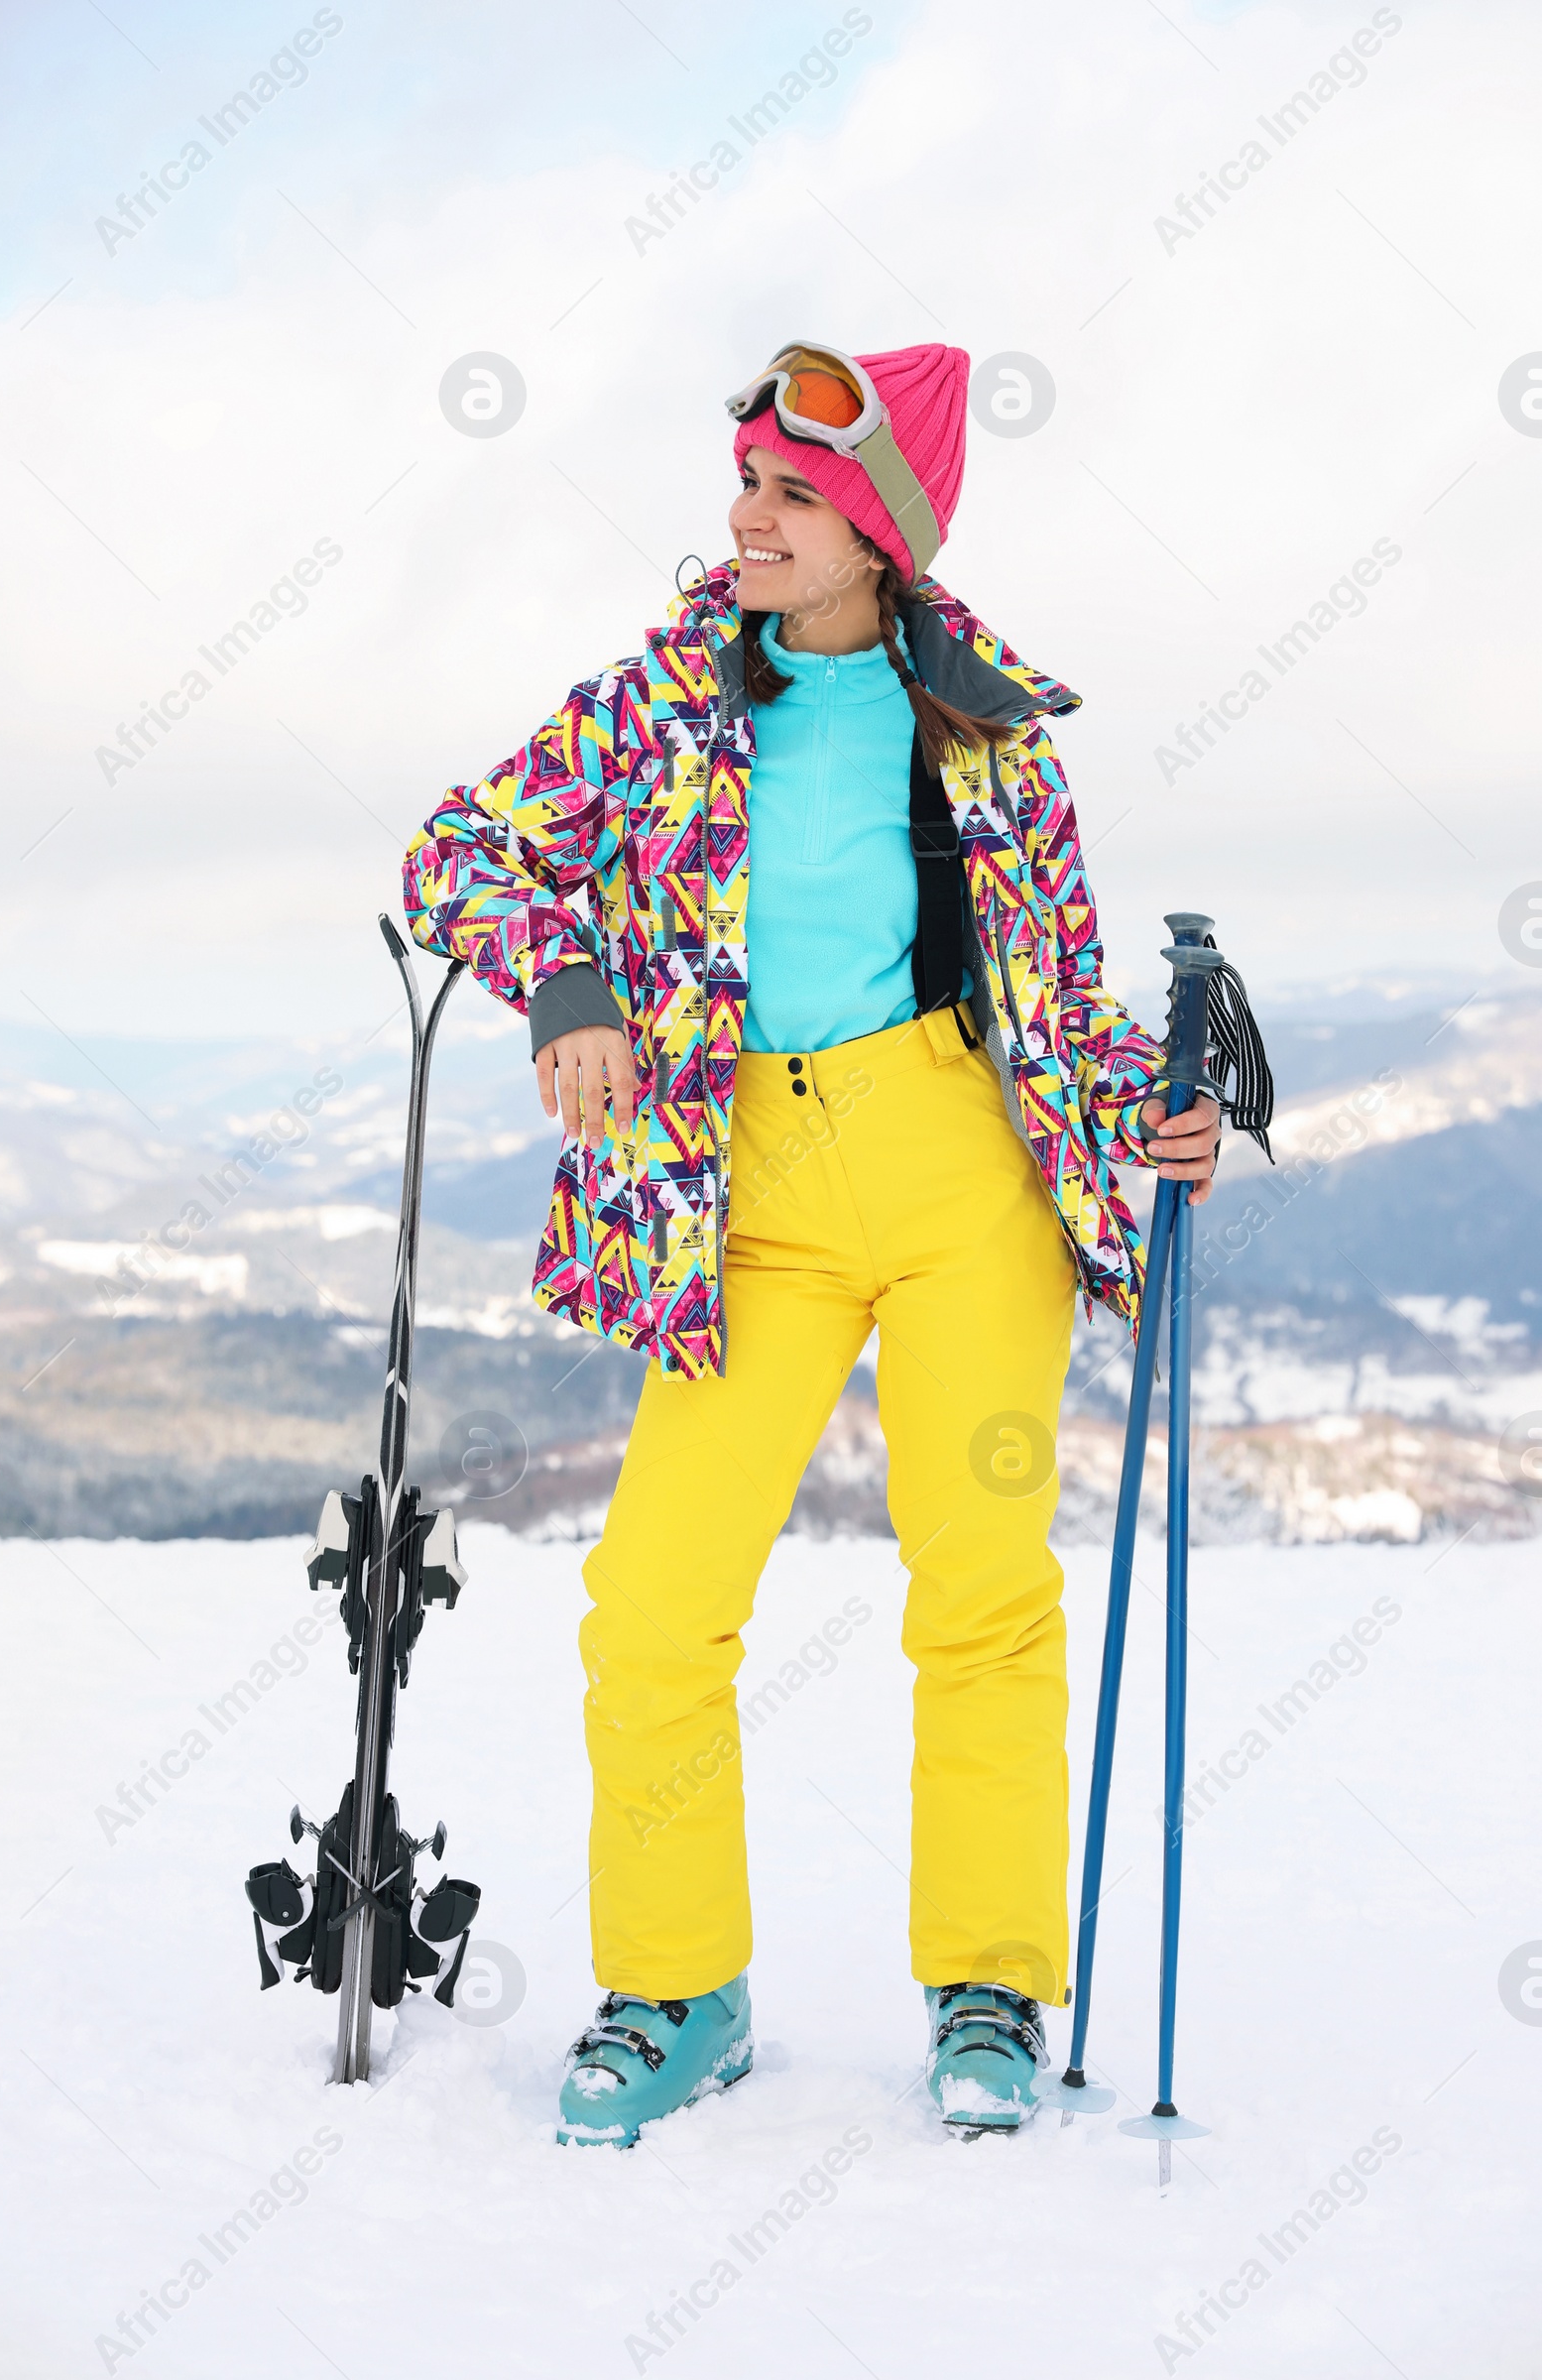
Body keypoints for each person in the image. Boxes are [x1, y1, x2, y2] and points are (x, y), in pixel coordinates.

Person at [404, 340, 1221, 2147]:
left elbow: (1060, 1001)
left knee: (984, 1587)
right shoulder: (664, 698)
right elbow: (457, 848)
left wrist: (1151, 1122)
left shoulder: (986, 727)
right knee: (656, 1604)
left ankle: (988, 1984)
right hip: (745, 1188)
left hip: (960, 1176)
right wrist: (568, 984)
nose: (744, 518)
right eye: (748, 485)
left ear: (876, 531)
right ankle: (682, 1990)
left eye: (787, 495)